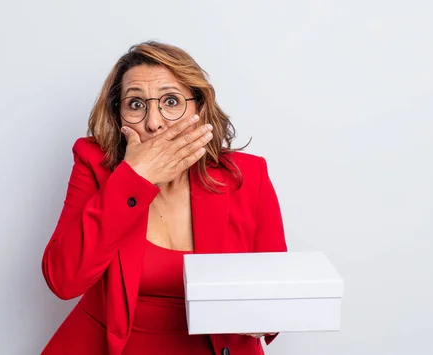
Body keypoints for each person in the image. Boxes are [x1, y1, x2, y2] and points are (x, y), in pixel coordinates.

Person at [41, 41, 287, 355]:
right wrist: (134, 179)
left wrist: (265, 317)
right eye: (135, 104)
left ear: (199, 107)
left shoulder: (248, 175)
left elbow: (278, 293)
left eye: (171, 101)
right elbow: (64, 281)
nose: (153, 122)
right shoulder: (94, 163)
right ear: (119, 116)